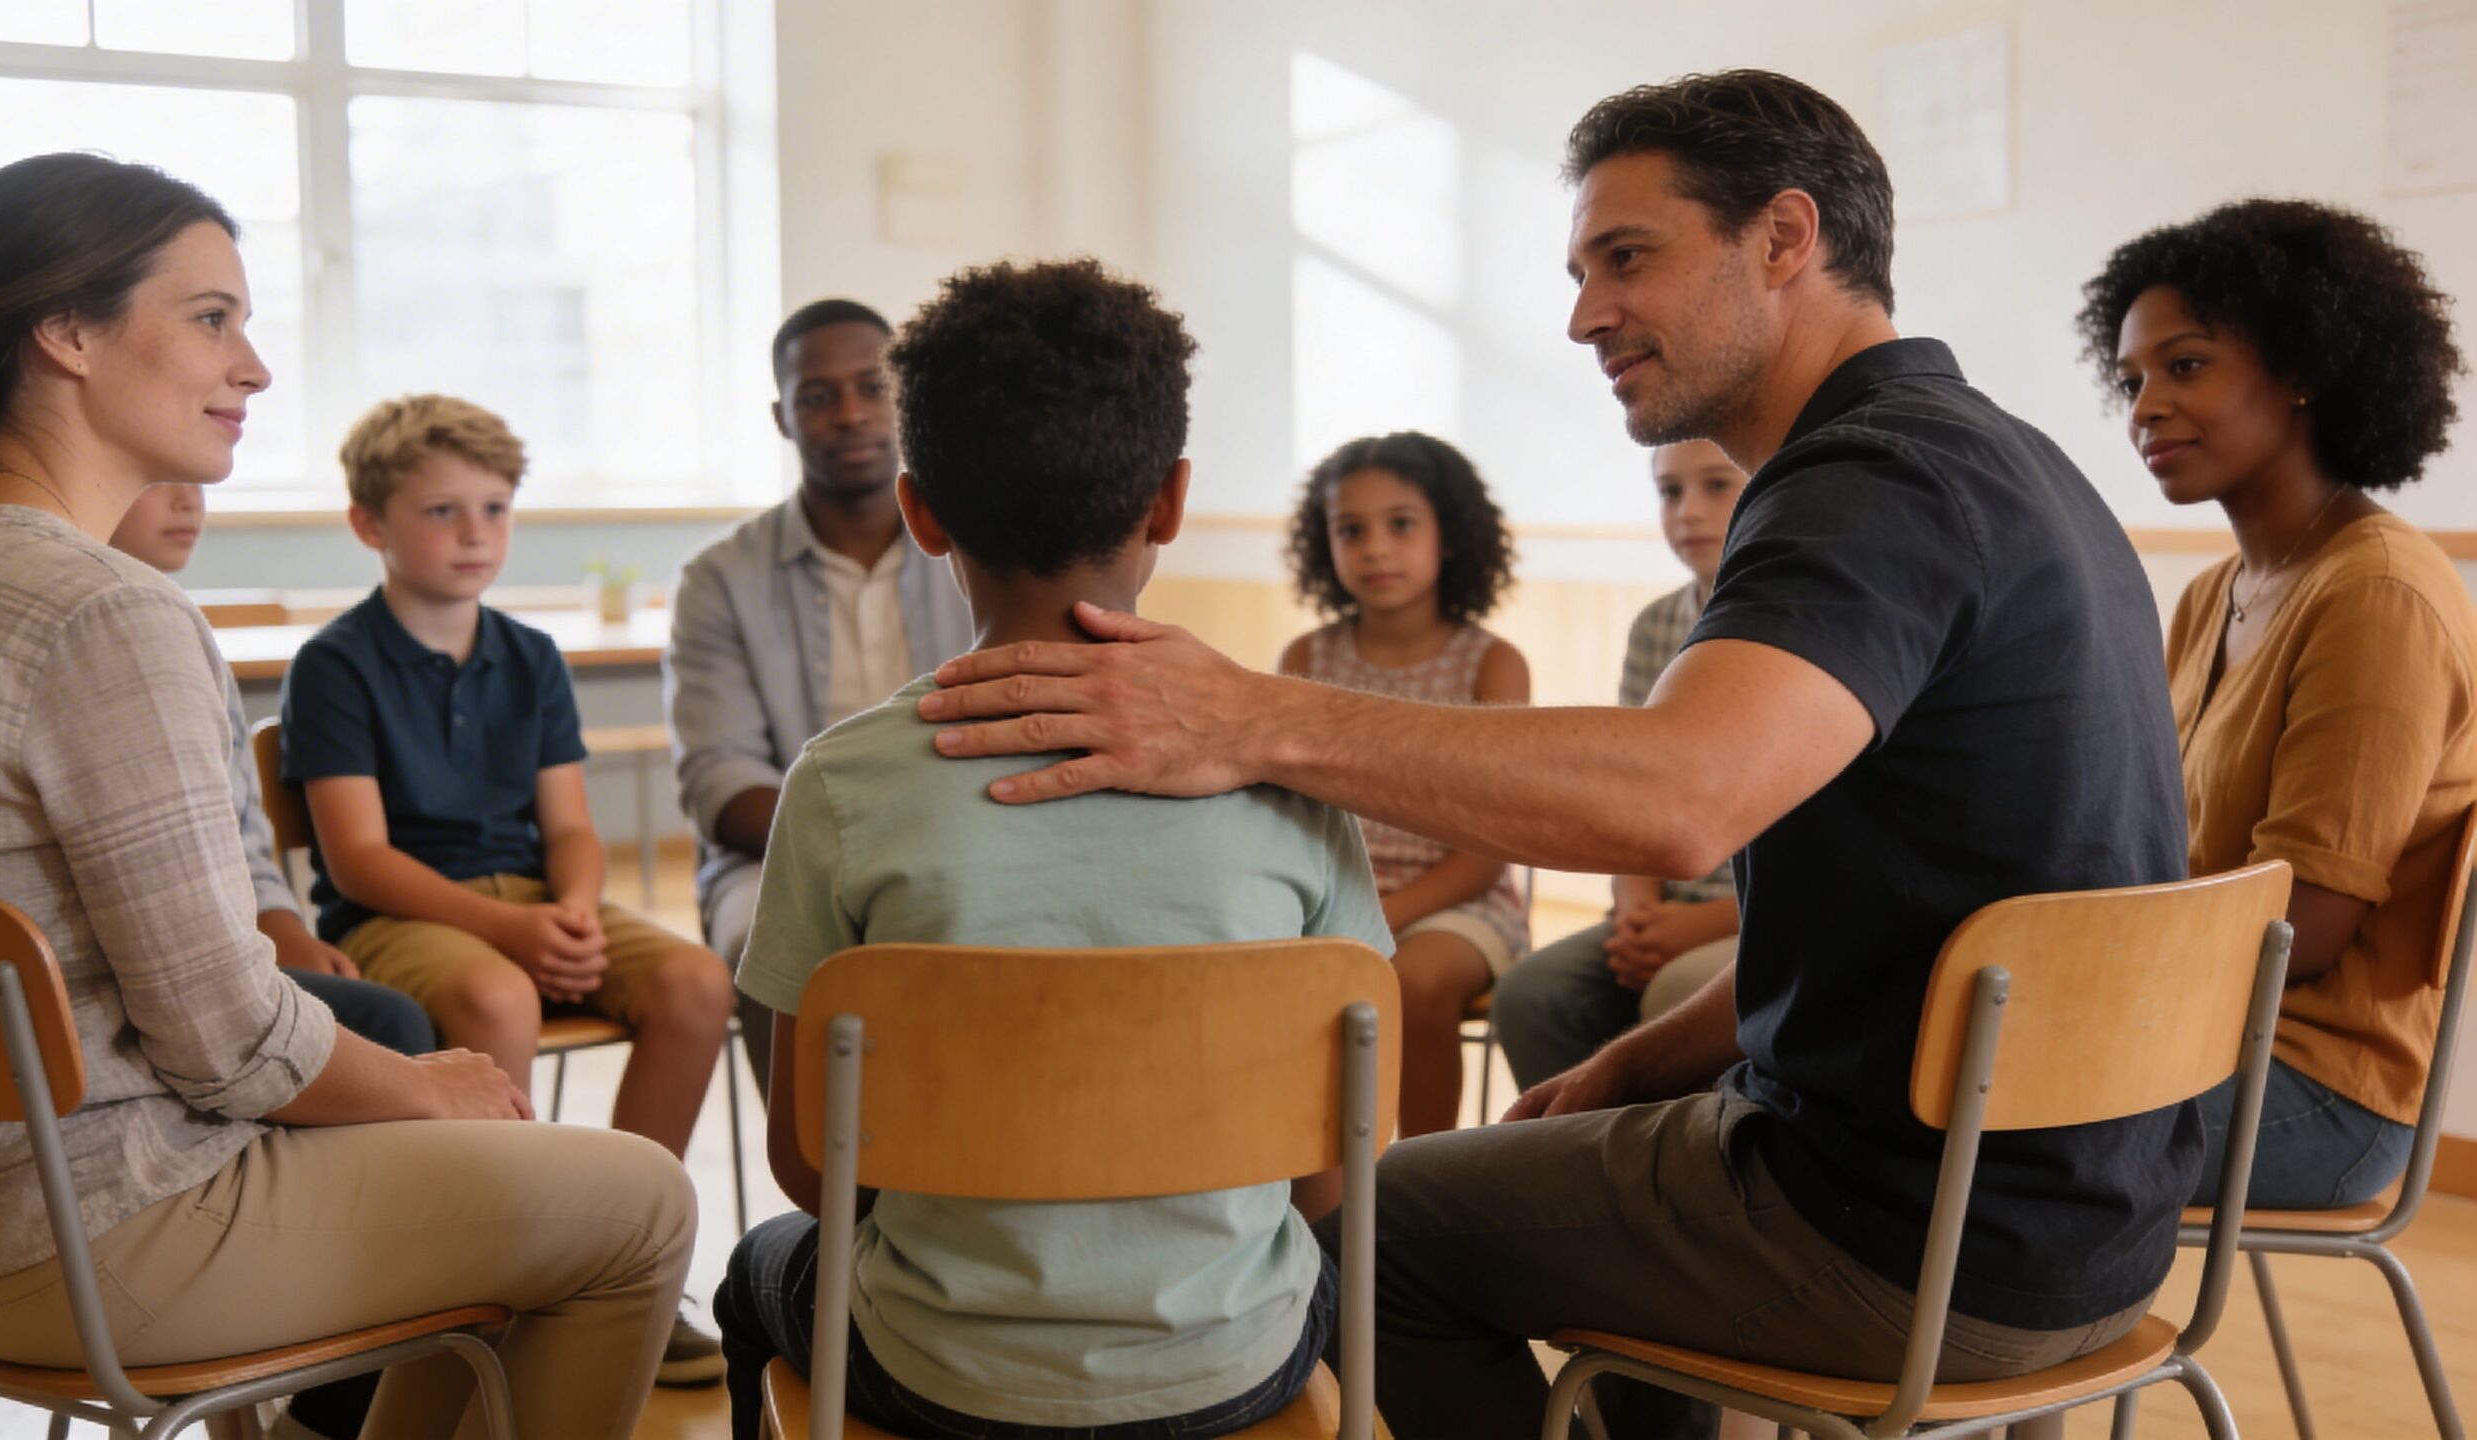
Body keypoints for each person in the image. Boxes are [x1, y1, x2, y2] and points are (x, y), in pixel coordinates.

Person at [910, 71, 2192, 1437]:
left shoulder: (1866, 485)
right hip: (2094, 1223)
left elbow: (1680, 798)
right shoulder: (2012, 459)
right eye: (1579, 270)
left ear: (1785, 237)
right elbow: (1913, 925)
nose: (1584, 315)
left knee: (1375, 1229)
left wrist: (1246, 718)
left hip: (1912, 1241)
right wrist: (1640, 1064)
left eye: (1626, 259)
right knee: (1565, 1150)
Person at [0, 152, 694, 1440]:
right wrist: (430, 1087)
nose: (254, 367)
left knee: (508, 1180)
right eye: (212, 318)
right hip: (97, 1235)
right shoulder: (107, 613)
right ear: (65, 334)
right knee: (637, 1205)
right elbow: (225, 1041)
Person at [713, 258, 1394, 1440]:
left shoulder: (837, 787)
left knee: (756, 1272)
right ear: (1170, 502)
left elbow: (815, 1174)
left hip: (944, 1375)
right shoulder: (1289, 777)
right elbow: (1334, 1169)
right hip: (1229, 1369)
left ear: (922, 513)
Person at [279, 392, 733, 1385]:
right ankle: (499, 1286)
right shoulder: (335, 665)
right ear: (370, 525)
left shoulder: (529, 656)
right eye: (442, 511)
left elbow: (570, 827)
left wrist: (568, 906)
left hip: (525, 896)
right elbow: (357, 859)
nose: (475, 533)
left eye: (494, 508)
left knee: (697, 983)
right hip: (402, 911)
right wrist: (509, 931)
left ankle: (623, 1264)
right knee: (496, 994)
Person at [2080, 198, 2476, 1209]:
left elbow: (2304, 926)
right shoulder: (2215, 593)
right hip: (2194, 1038)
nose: (2143, 408)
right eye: (2129, 380)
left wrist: (2084, 989)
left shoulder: (2376, 594)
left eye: (2185, 365)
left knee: (1940, 1118)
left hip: (2314, 1089)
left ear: (2301, 369)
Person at [665, 299, 971, 1095]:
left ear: (905, 397)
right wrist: (867, 852)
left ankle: (971, 1186)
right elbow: (718, 782)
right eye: (817, 395)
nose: (849, 414)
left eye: (872, 388)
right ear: (782, 416)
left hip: (969, 841)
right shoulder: (719, 579)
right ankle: (823, 1208)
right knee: (760, 951)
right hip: (771, 866)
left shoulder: (980, 548)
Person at [111, 480, 435, 1056]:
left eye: (197, 483)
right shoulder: (128, 633)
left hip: (236, 940)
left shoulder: (184, 627)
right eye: (159, 481)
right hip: (174, 972)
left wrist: (277, 921)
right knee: (396, 1024)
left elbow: (241, 829)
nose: (189, 501)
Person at [1277, 431, 1528, 1136]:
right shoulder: (1306, 655)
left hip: (1462, 906)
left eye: (1401, 524)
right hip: (1334, 896)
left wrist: (1380, 916)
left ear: (1450, 535)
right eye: (1350, 530)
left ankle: (1421, 1181)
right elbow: (1287, 811)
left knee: (1413, 982)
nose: (1376, 548)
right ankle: (1305, 1183)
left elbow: (1486, 854)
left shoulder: (1492, 664)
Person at [1492, 439, 1747, 1092]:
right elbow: (1634, 790)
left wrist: (1697, 926)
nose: (1688, 510)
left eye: (1716, 486)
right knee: (1532, 994)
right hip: (1665, 899)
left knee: (1677, 988)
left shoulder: (1807, 620)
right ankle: (1574, 1184)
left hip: (1762, 912)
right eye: (1669, 491)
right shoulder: (1656, 626)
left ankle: (1666, 1185)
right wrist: (1636, 910)